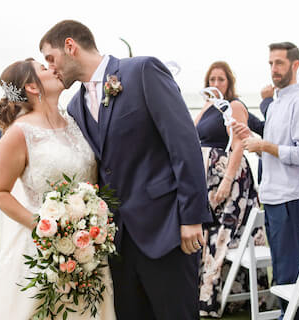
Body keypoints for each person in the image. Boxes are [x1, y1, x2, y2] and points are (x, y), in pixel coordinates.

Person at [41, 20, 211, 320]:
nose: (51, 68)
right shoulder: (75, 108)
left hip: (167, 230)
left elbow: (184, 144)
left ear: (70, 46)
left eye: (50, 58)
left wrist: (192, 216)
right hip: (116, 245)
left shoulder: (143, 71)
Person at [0, 58, 115, 319]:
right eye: (44, 69)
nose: (53, 69)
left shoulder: (74, 121)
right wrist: (45, 225)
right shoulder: (19, 133)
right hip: (42, 248)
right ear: (32, 87)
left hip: (87, 246)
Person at [237, 42, 299, 320]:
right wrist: (248, 131)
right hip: (273, 195)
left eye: (280, 63)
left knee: (288, 270)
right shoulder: (276, 103)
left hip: (290, 196)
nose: (274, 68)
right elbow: (274, 146)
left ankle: (294, 316)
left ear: (295, 65)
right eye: (271, 63)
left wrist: (264, 146)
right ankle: (289, 315)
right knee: (281, 270)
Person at [194, 61, 267, 317]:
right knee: (208, 232)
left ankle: (223, 297)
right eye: (211, 79)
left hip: (230, 178)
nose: (215, 84)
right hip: (206, 178)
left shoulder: (234, 106)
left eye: (221, 80)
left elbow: (237, 144)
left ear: (229, 82)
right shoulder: (207, 106)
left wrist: (227, 180)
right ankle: (208, 292)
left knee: (224, 233)